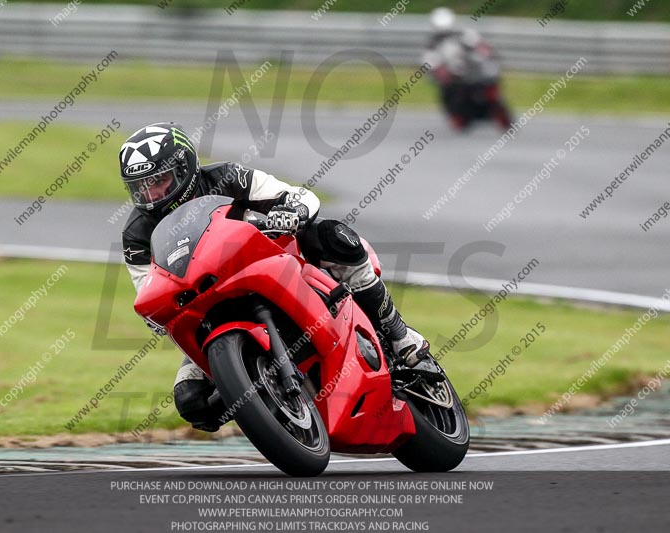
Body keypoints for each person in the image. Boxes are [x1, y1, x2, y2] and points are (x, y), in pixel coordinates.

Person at [119, 122, 440, 432]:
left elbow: (295, 195)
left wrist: (293, 212)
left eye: (159, 181)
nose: (152, 194)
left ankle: (399, 335)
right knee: (190, 399)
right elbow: (147, 290)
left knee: (334, 236)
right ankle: (263, 403)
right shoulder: (136, 234)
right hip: (207, 303)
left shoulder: (226, 177)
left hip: (264, 258)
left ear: (184, 168)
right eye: (140, 187)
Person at [423, 7, 509, 130]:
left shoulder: (465, 34)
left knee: (492, 84)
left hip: (477, 73)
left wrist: (489, 57)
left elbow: (483, 48)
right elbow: (431, 64)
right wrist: (441, 74)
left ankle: (495, 108)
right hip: (457, 78)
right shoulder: (432, 45)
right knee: (447, 92)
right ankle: (458, 115)